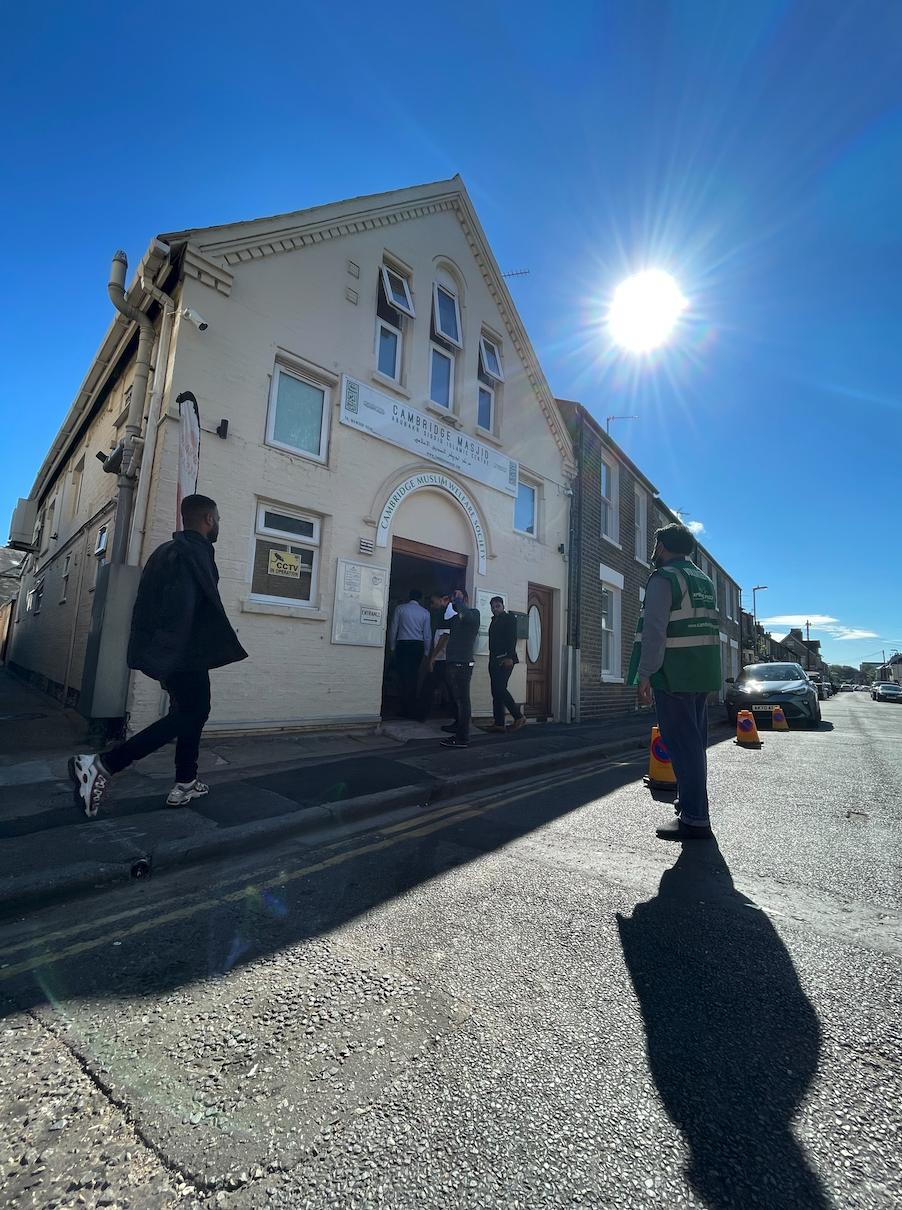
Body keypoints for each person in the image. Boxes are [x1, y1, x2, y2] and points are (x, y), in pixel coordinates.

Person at [68, 494, 248, 817]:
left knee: (194, 710)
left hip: (174, 652)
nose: (218, 524)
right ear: (208, 519)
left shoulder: (166, 551)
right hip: (183, 653)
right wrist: (174, 656)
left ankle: (186, 780)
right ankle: (102, 765)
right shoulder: (194, 553)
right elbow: (182, 608)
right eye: (217, 519)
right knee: (189, 714)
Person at [627, 523, 722, 841]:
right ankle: (689, 807)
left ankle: (695, 818)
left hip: (675, 673)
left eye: (656, 546)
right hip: (702, 673)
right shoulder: (702, 579)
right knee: (693, 746)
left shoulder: (664, 577)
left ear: (663, 546)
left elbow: (655, 629)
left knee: (683, 747)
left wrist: (645, 674)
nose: (653, 552)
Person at [434, 588, 480, 749]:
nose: (455, 600)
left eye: (458, 597)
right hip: (453, 663)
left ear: (465, 599)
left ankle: (462, 738)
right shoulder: (455, 617)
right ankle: (458, 728)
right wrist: (445, 604)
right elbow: (444, 622)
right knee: (457, 700)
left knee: (462, 701)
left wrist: (459, 601)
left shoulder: (474, 614)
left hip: (463, 664)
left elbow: (466, 616)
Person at [387, 588, 432, 718]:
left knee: (402, 676)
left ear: (409, 597)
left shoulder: (400, 609)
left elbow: (393, 628)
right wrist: (427, 651)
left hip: (402, 645)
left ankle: (403, 708)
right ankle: (412, 707)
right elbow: (427, 634)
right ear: (420, 599)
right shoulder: (425, 613)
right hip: (417, 646)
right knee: (413, 676)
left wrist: (392, 647)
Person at [486, 596, 525, 733]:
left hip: (505, 660)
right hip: (494, 660)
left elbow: (511, 638)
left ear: (502, 606)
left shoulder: (508, 619)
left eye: (497, 606)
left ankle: (518, 716)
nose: (495, 609)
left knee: (500, 688)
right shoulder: (494, 620)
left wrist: (509, 657)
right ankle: (499, 723)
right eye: (493, 606)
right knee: (495, 691)